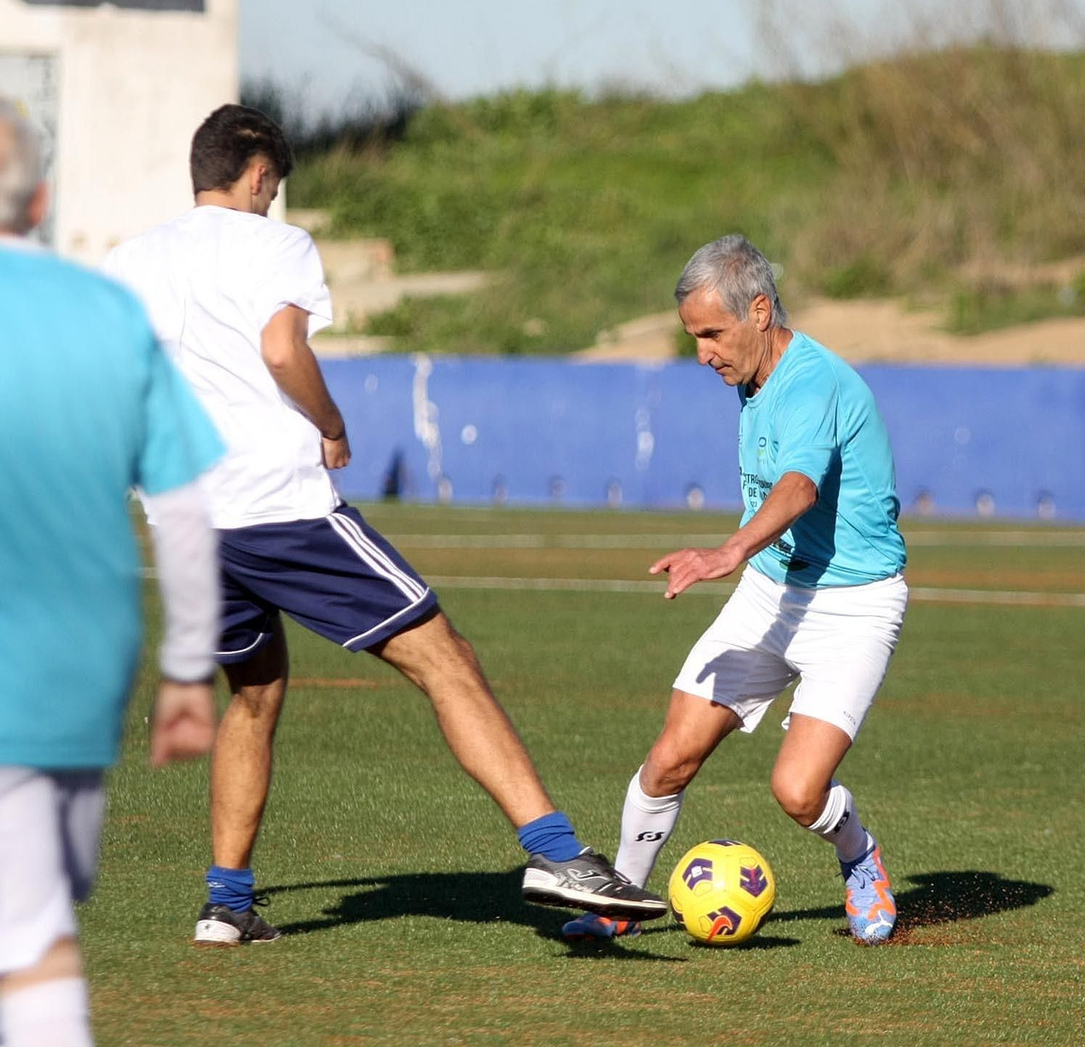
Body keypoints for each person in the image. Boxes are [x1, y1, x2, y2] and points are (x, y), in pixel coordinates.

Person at [102, 104, 664, 945]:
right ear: (259, 175)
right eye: (274, 187)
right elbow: (284, 350)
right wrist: (330, 424)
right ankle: (557, 854)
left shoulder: (129, 261)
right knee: (447, 659)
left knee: (252, 693)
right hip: (277, 508)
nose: (273, 200)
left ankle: (226, 903)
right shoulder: (273, 244)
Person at [562, 235, 910, 944]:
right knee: (670, 757)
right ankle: (623, 897)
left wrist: (729, 549)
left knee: (798, 791)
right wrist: (748, 559)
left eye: (712, 334)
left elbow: (799, 485)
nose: (703, 353)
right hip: (770, 589)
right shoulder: (753, 375)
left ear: (759, 309)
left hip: (854, 605)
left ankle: (859, 855)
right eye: (693, 337)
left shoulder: (813, 383)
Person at [0, 99, 222, 1047]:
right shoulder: (105, 313)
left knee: (25, 931)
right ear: (41, 196)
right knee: (35, 922)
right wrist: (185, 669)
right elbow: (182, 510)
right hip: (80, 671)